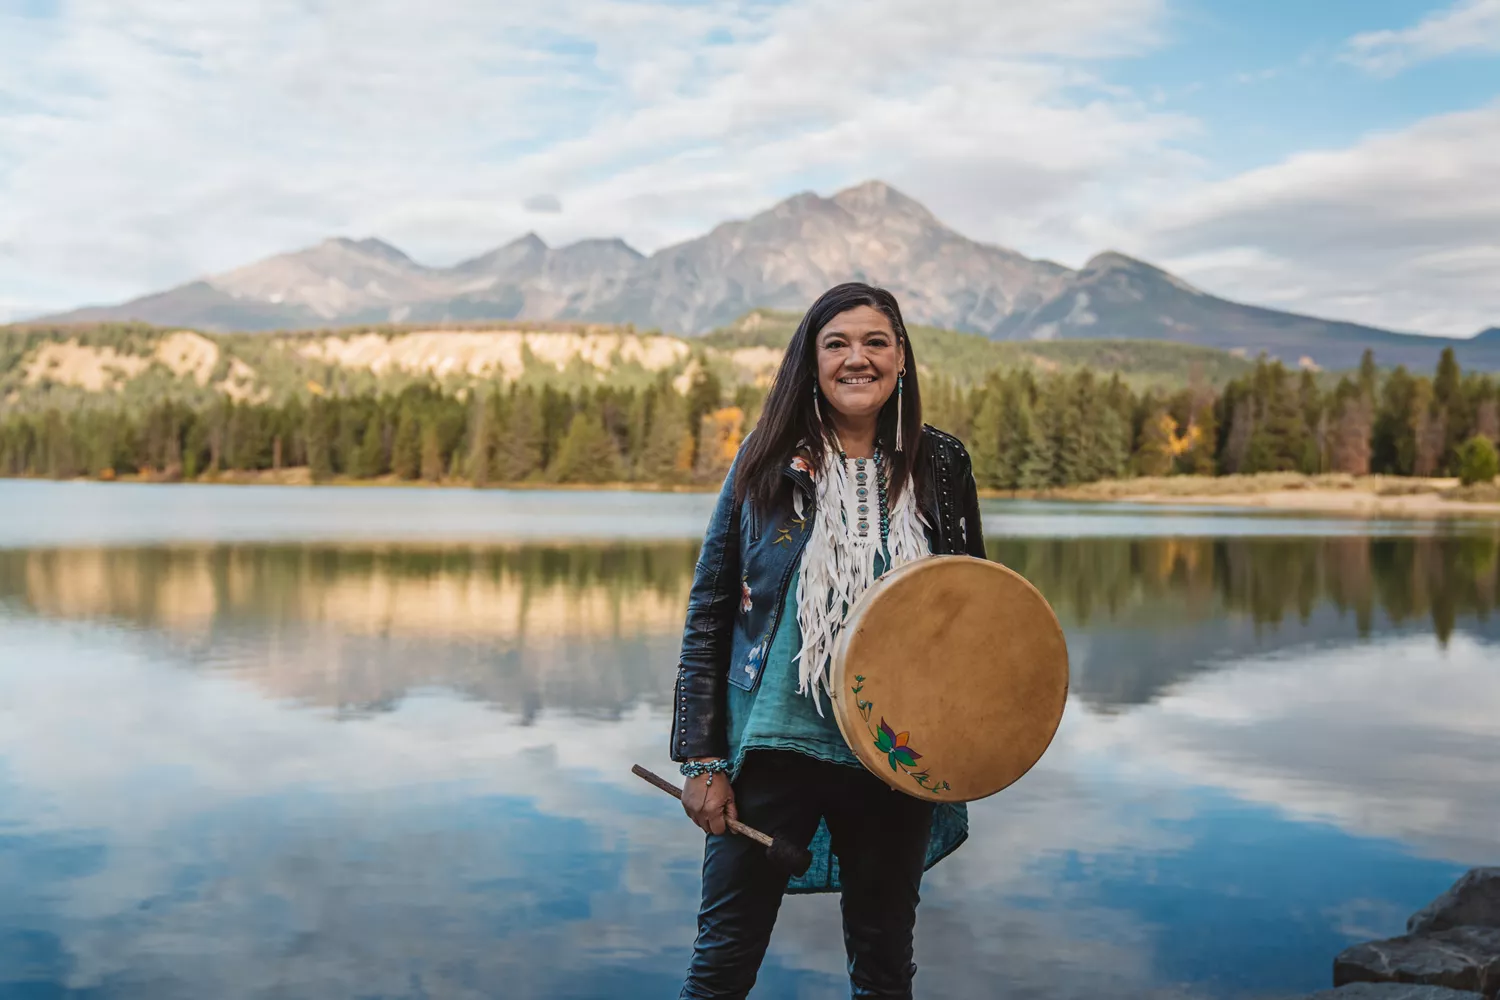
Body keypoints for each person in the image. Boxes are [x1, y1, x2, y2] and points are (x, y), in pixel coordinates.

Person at [670, 282, 988, 999]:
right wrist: (701, 758)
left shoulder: (940, 464)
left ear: (901, 358)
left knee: (883, 967)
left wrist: (972, 741)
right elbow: (711, 610)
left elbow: (977, 617)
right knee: (722, 964)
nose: (857, 359)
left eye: (875, 342)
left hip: (896, 753)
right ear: (810, 361)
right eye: (836, 343)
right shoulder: (767, 458)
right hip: (775, 749)